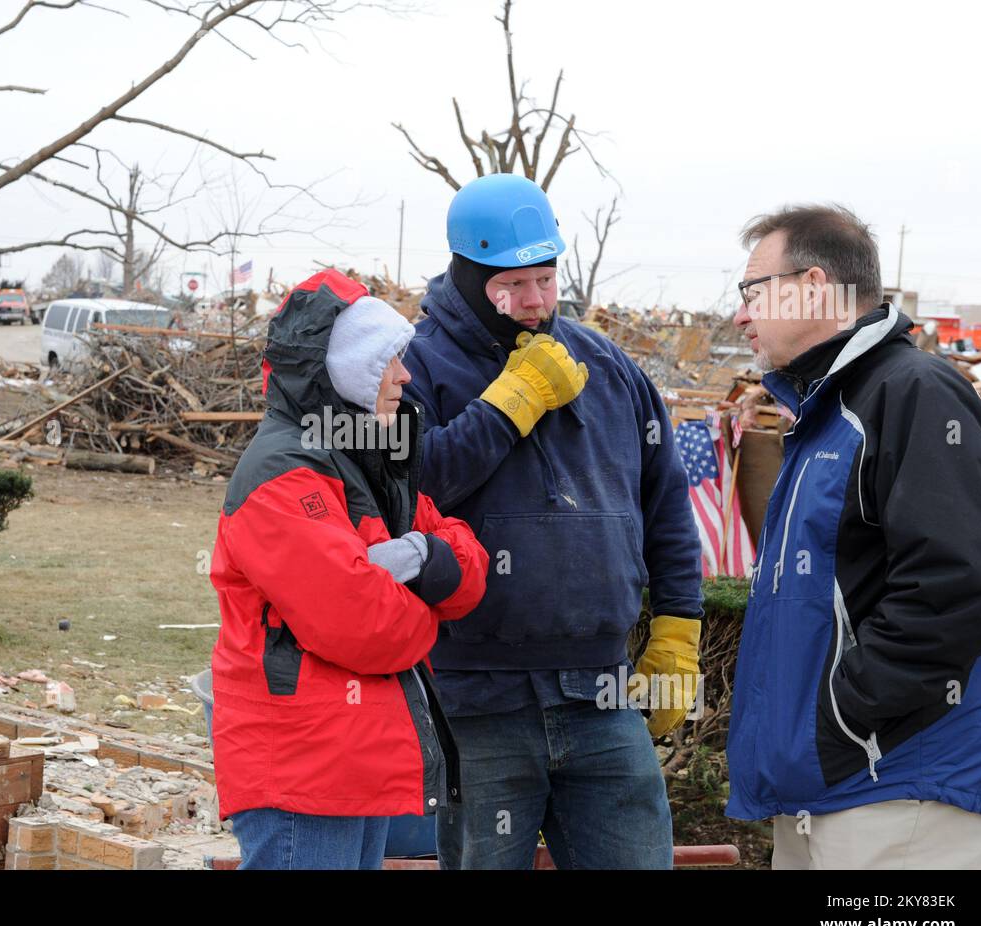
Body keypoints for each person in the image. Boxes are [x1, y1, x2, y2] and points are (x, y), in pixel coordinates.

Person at [401, 173, 704, 869]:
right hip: (476, 700)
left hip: (602, 693)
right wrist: (510, 404)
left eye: (545, 278)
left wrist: (679, 628)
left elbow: (665, 506)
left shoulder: (607, 365)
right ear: (470, 275)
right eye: (514, 285)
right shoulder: (416, 367)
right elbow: (409, 490)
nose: (535, 301)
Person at [725, 203, 981, 869]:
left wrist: (844, 722)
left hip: (898, 789)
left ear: (813, 285)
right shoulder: (825, 412)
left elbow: (961, 583)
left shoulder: (911, 392)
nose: (740, 315)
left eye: (751, 290)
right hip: (830, 785)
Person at [209, 269, 489, 870]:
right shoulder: (282, 475)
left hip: (350, 764)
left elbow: (470, 565)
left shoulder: (367, 463)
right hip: (299, 771)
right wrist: (427, 609)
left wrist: (419, 558)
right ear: (345, 369)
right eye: (389, 360)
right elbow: (368, 625)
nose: (405, 377)